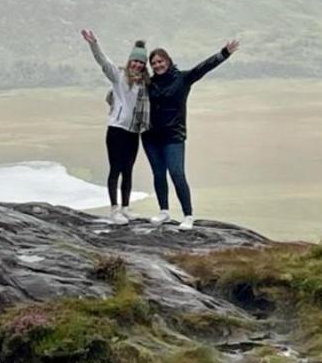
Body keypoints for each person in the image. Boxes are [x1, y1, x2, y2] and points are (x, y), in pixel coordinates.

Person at [143, 39, 240, 230]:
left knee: (177, 173)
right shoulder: (149, 84)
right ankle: (164, 211)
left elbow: (203, 68)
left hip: (173, 136)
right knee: (158, 174)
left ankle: (188, 215)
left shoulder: (183, 78)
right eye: (153, 63)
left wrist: (224, 53)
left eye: (160, 61)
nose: (157, 65)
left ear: (168, 61)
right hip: (151, 137)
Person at [80, 29, 150, 224]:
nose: (137, 64)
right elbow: (103, 61)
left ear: (144, 66)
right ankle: (114, 210)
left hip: (133, 131)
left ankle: (126, 208)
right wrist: (93, 43)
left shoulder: (145, 85)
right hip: (117, 130)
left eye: (141, 63)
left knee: (128, 169)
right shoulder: (118, 76)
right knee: (115, 169)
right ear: (130, 61)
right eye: (135, 61)